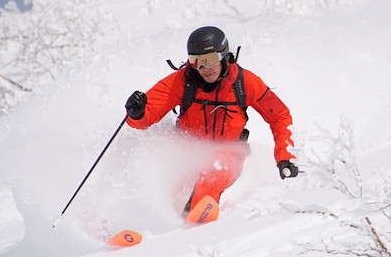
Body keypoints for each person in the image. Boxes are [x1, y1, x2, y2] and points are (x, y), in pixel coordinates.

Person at [124, 26, 299, 218]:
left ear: (224, 56)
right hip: (187, 153)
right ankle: (130, 228)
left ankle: (192, 229)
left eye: (209, 60)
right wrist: (137, 112)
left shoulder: (244, 82)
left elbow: (280, 116)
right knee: (164, 188)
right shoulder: (183, 81)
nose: (203, 69)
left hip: (229, 153)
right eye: (195, 61)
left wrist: (285, 156)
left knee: (215, 170)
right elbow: (143, 120)